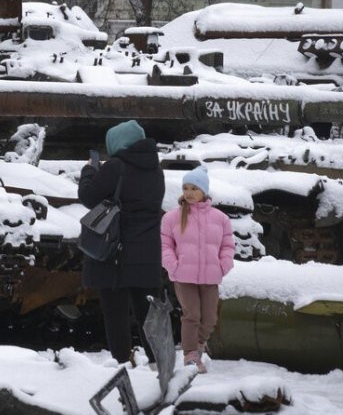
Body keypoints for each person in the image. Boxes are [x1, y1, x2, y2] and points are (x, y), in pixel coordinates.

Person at [78, 119, 165, 365]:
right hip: (147, 253)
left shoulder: (115, 167)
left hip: (114, 252)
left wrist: (89, 171)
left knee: (116, 315)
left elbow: (88, 196)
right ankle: (157, 362)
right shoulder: (156, 170)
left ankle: (123, 363)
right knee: (146, 314)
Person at [160, 165, 235, 373]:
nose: (189, 193)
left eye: (194, 188)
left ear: (204, 191)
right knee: (191, 314)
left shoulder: (220, 218)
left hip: (211, 276)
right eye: (186, 188)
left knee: (210, 318)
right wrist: (172, 266)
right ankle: (190, 355)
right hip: (183, 276)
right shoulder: (172, 218)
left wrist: (223, 265)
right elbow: (166, 245)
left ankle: (199, 347)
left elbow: (228, 246)